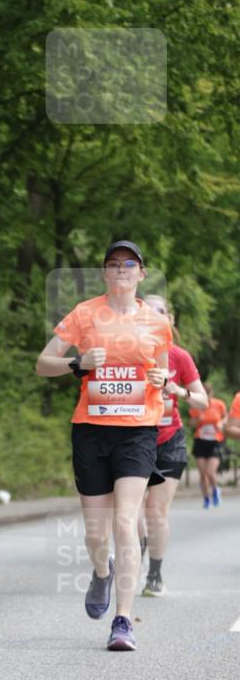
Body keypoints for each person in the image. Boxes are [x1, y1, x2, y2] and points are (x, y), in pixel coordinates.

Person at [36, 241, 171, 651]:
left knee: (125, 522)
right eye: (113, 264)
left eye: (129, 264)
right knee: (97, 534)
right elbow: (43, 364)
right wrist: (78, 364)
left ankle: (123, 620)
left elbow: (161, 375)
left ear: (141, 274)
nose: (122, 269)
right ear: (105, 274)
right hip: (91, 430)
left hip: (137, 431)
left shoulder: (156, 323)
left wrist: (161, 382)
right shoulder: (84, 313)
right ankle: (101, 569)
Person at [140, 295, 208, 596]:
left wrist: (177, 389)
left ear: (170, 320)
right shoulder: (127, 352)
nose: (154, 316)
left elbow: (203, 400)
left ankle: (154, 574)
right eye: (146, 311)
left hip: (169, 441)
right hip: (132, 441)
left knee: (156, 512)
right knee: (129, 512)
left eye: (160, 312)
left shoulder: (179, 357)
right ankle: (134, 556)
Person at [189, 383, 227, 508]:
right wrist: (197, 420)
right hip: (200, 441)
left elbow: (226, 418)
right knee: (202, 473)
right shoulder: (196, 406)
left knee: (210, 472)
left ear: (211, 394)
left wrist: (221, 423)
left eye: (207, 395)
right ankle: (206, 498)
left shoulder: (219, 404)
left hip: (215, 441)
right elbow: (191, 424)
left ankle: (215, 490)